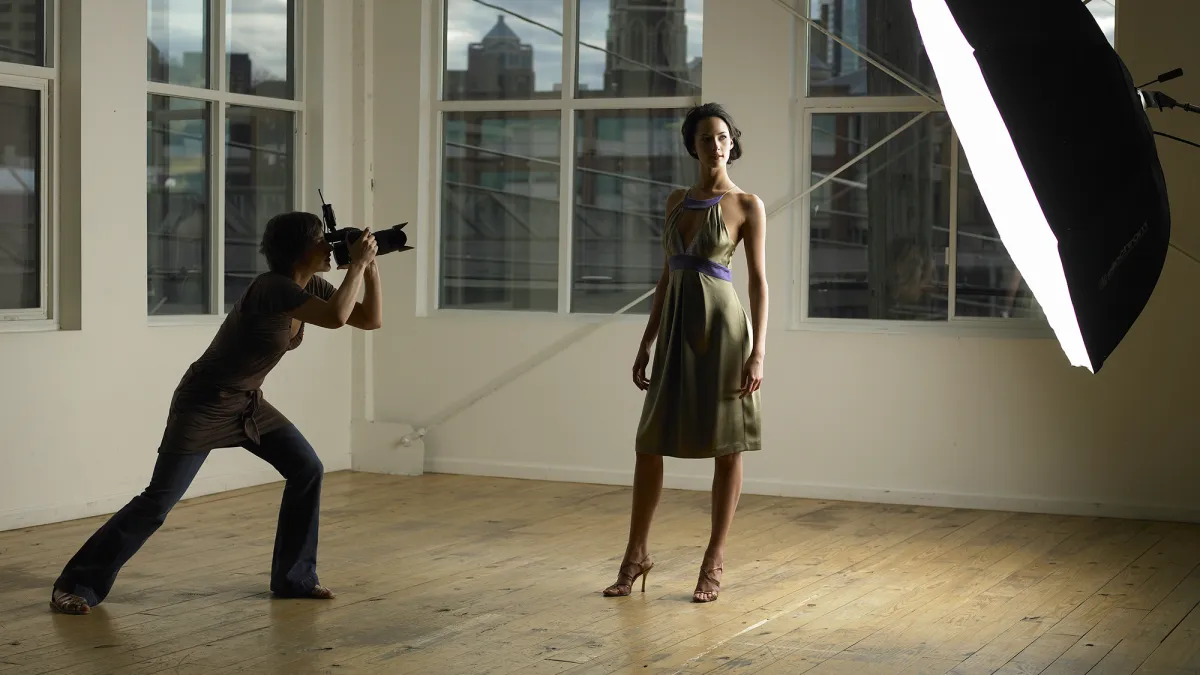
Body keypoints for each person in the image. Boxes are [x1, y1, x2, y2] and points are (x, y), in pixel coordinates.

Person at [49, 212, 384, 615]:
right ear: (299, 249)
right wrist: (358, 265)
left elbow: (370, 319)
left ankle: (295, 579)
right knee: (158, 501)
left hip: (247, 403)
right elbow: (336, 318)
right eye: (320, 240)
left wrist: (371, 268)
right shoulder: (272, 287)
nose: (329, 246)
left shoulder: (309, 284)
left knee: (306, 468)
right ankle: (76, 584)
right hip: (205, 402)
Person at [603, 103, 768, 604]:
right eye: (704, 139)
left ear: (732, 143)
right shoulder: (676, 200)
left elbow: (758, 283)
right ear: (691, 146)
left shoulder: (747, 205)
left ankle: (714, 560)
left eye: (721, 137)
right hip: (675, 330)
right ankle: (636, 553)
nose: (714, 146)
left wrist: (759, 352)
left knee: (727, 445)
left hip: (724, 333)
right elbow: (666, 275)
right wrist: (646, 339)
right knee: (649, 443)